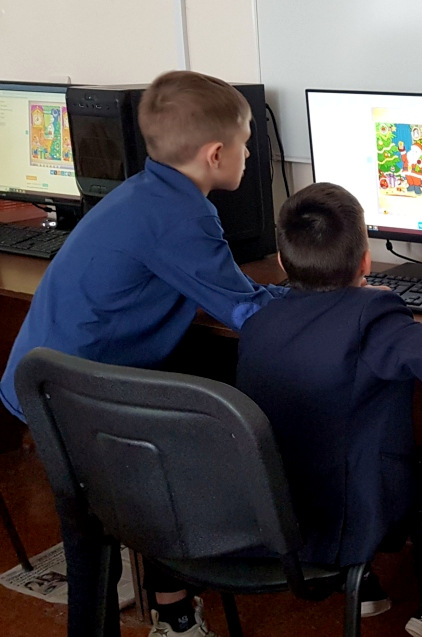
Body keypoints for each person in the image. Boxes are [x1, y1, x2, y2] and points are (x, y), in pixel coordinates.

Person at [1, 70, 288, 636]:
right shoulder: (184, 216)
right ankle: (178, 611)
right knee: (196, 448)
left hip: (40, 387)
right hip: (78, 401)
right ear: (215, 154)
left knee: (89, 533)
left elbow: (219, 289)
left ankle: (166, 610)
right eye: (247, 142)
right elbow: (246, 312)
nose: (251, 154)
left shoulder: (142, 192)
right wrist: (332, 298)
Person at [235, 182, 422, 637]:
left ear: (281, 261)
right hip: (343, 513)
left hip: (276, 510)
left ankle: (363, 588)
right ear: (366, 260)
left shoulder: (259, 322)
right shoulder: (375, 318)